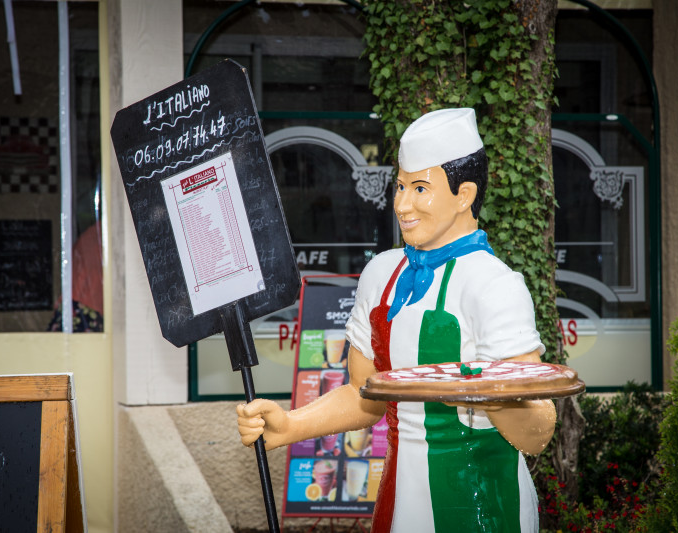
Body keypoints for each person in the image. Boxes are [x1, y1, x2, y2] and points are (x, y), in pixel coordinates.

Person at [237, 108, 556, 532]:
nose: (402, 204)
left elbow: (536, 434)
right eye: (401, 186)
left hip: (482, 506)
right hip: (397, 502)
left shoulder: (495, 286)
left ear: (464, 195)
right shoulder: (382, 274)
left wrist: (493, 396)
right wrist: (289, 426)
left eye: (420, 188)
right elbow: (363, 396)